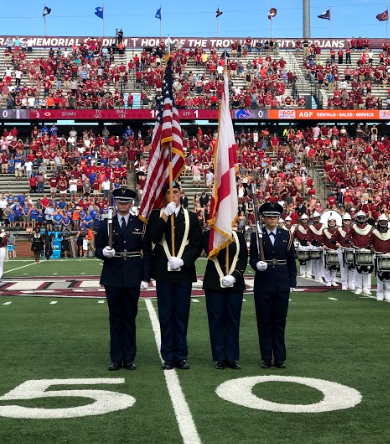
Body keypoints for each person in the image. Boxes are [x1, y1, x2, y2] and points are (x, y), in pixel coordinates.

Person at [95, 187, 151, 371]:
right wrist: (104, 252)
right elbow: (97, 249)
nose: (123, 205)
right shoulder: (106, 224)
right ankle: (115, 358)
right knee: (115, 318)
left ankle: (129, 357)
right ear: (115, 203)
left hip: (133, 275)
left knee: (130, 317)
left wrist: (145, 277)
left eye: (126, 202)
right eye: (120, 201)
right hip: (113, 274)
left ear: (131, 203)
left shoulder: (140, 224)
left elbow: (147, 252)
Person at [148, 183, 202, 370]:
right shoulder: (157, 215)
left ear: (181, 194)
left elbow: (196, 245)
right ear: (165, 196)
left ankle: (181, 355)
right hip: (163, 271)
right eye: (169, 192)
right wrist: (164, 216)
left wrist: (184, 261)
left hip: (183, 272)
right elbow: (152, 237)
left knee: (181, 315)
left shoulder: (191, 217)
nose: (173, 195)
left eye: (176, 192)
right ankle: (168, 356)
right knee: (166, 315)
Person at [249, 202, 297, 369]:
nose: (273, 218)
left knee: (279, 321)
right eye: (269, 216)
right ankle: (265, 357)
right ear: (263, 218)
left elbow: (291, 260)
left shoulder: (287, 235)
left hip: (281, 282)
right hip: (263, 283)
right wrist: (257, 265)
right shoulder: (257, 236)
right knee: (264, 321)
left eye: (275, 216)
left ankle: (279, 357)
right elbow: (252, 258)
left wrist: (293, 281)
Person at [202, 229, 248, 370]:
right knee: (216, 320)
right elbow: (211, 252)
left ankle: (232, 356)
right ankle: (220, 357)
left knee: (233, 320)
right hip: (214, 282)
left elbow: (243, 258)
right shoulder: (208, 235)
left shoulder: (239, 236)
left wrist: (235, 275)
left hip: (235, 283)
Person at [371, 214, 390, 301]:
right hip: (378, 255)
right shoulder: (374, 232)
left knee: (389, 275)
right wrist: (372, 248)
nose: (383, 223)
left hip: (388, 255)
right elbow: (369, 242)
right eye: (381, 222)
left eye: (384, 222)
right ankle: (379, 293)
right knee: (379, 275)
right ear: (378, 222)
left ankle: (387, 292)